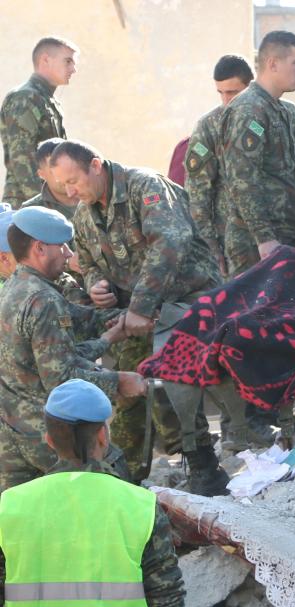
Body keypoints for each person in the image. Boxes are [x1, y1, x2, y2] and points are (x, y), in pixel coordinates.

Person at [48, 140, 229, 493]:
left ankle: (204, 463)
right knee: (128, 385)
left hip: (189, 298)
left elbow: (170, 243)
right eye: (63, 186)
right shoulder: (85, 215)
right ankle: (126, 475)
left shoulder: (145, 186)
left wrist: (140, 306)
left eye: (74, 181)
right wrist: (95, 283)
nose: (71, 191)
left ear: (96, 166)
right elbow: (86, 262)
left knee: (175, 375)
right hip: (139, 313)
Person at [0, 379, 185, 607]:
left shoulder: (8, 506)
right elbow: (167, 600)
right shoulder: (140, 505)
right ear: (102, 436)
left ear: (49, 440)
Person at [0, 207, 143, 493]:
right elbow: (60, 377)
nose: (68, 253)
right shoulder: (43, 299)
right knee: (114, 480)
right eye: (62, 245)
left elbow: (62, 341)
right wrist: (120, 382)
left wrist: (114, 332)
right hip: (47, 432)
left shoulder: (14, 287)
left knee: (21, 519)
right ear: (40, 248)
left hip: (10, 433)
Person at [219, 31, 295, 276]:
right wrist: (264, 238)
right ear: (273, 64)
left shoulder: (290, 113)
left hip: (287, 238)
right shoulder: (248, 110)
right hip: (254, 244)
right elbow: (243, 179)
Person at [183, 54, 254, 274]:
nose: (226, 100)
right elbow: (197, 193)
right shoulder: (209, 127)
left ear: (250, 87)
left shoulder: (272, 118)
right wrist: (210, 246)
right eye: (220, 93)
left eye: (232, 93)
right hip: (231, 244)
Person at [0, 37, 75, 208]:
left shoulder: (45, 99)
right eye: (68, 61)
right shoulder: (25, 98)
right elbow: (22, 160)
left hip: (48, 202)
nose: (73, 69)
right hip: (27, 207)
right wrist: (43, 207)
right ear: (45, 60)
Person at [20, 137, 78, 220]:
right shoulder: (31, 211)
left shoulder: (93, 196)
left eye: (68, 165)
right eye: (55, 170)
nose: (65, 174)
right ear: (42, 174)